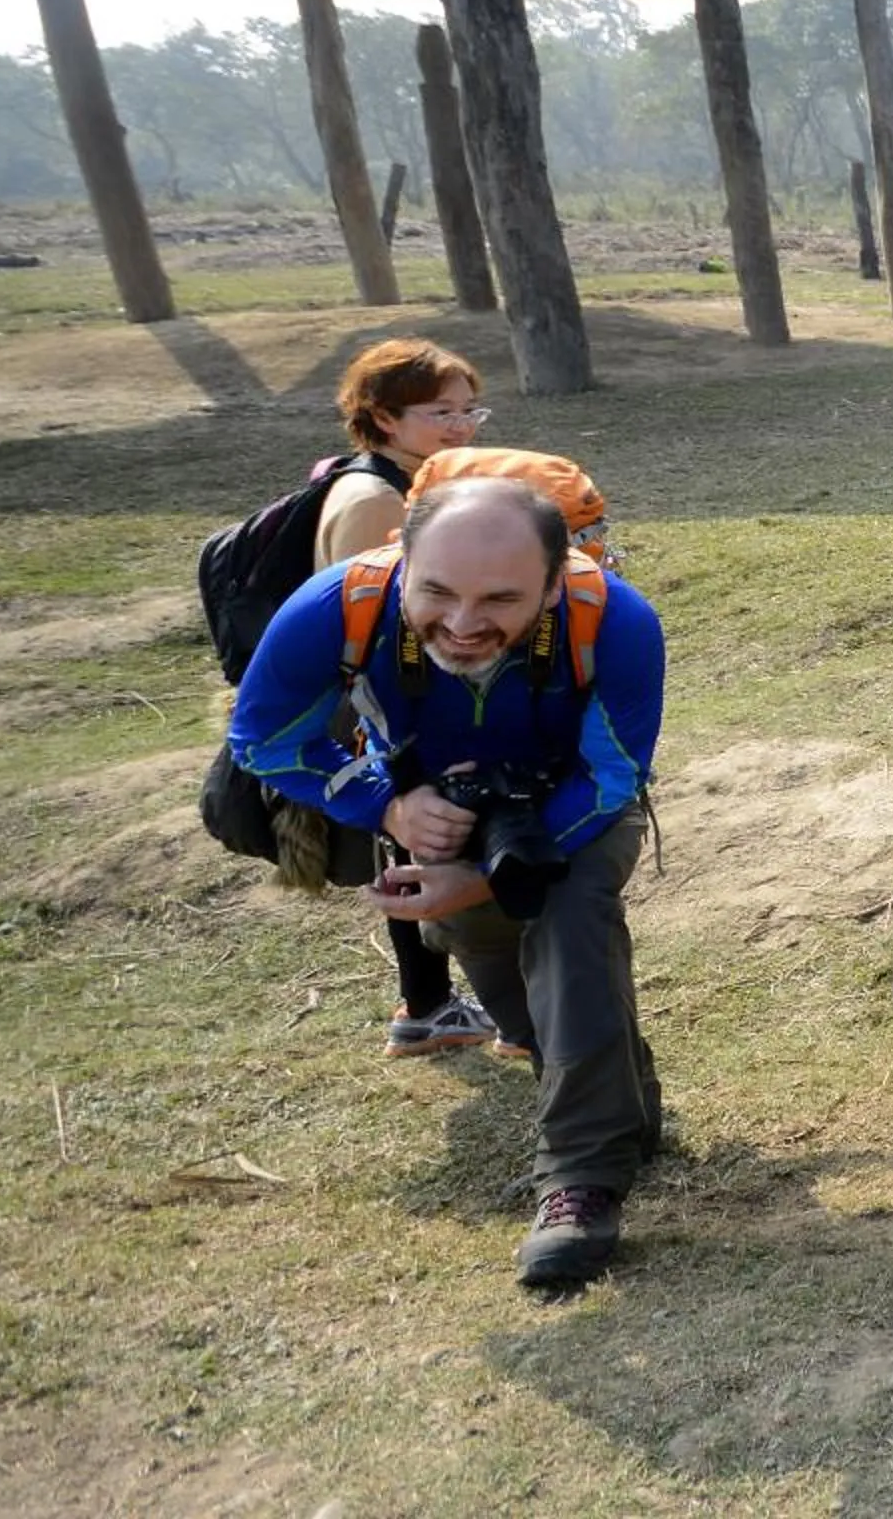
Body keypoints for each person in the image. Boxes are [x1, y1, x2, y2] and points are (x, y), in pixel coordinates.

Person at [231, 478, 669, 1286]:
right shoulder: (335, 609)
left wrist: (488, 871)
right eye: (435, 592)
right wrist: (387, 806)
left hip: (573, 807)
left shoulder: (614, 620)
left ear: (554, 580)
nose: (464, 624)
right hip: (438, 812)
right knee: (494, 962)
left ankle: (580, 1178)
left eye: (501, 599)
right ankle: (620, 1099)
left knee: (569, 927)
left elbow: (613, 776)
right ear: (403, 557)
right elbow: (262, 738)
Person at [317, 338, 509, 1059]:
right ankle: (450, 1006)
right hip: (399, 703)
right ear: (383, 417)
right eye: (441, 412)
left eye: (469, 410)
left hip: (409, 698)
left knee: (416, 842)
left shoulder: (402, 482)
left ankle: (430, 1004)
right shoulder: (375, 499)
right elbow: (380, 618)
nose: (462, 426)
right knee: (426, 842)